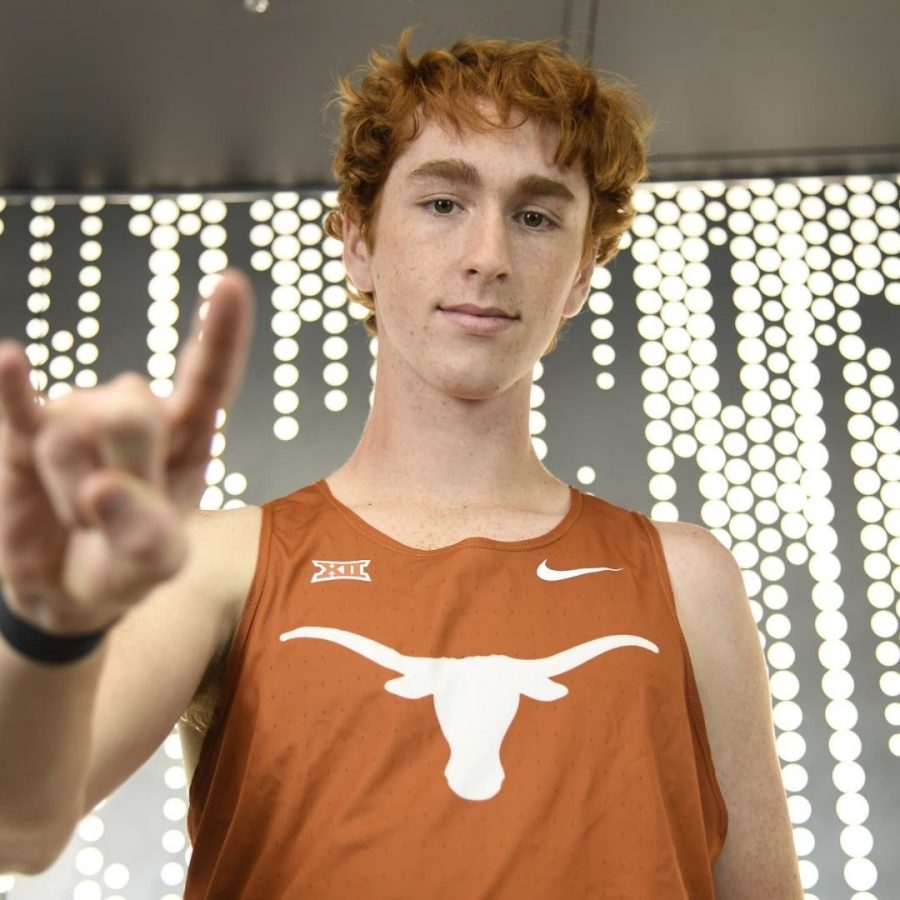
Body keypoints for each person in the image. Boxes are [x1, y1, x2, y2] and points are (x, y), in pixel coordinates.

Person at [0, 31, 803, 899]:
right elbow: (19, 825)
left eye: (535, 216)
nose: (489, 255)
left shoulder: (687, 579)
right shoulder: (220, 564)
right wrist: (44, 630)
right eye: (443, 204)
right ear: (358, 243)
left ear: (578, 277)